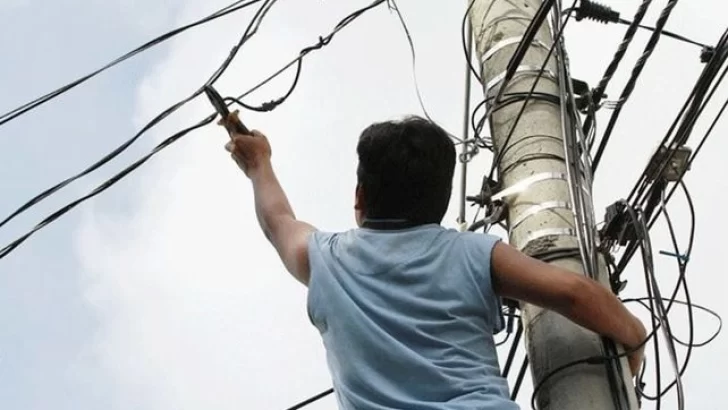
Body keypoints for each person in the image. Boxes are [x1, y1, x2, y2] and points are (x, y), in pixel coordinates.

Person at [221, 114, 646, 409]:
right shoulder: (473, 252)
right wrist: (634, 338)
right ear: (440, 202)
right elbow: (573, 292)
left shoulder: (326, 260)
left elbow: (277, 220)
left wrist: (258, 163)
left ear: (360, 197)